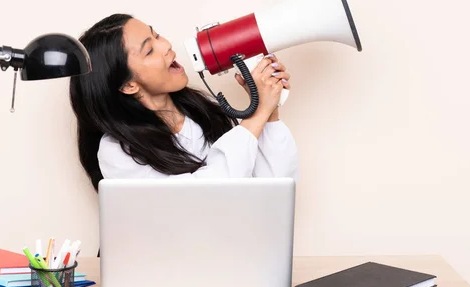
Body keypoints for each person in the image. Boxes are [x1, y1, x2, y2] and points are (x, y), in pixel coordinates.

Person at [69, 13, 299, 192]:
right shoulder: (118, 152)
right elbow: (198, 198)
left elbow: (275, 186)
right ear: (128, 85)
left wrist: (269, 109)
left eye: (156, 35)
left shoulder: (205, 110)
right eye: (149, 50)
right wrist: (257, 115)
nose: (166, 44)